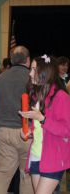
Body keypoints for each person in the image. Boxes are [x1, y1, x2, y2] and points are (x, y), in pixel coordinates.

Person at [19, 55, 70, 193]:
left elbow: (66, 130)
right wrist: (29, 131)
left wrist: (43, 119)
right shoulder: (37, 95)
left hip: (53, 157)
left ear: (45, 72)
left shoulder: (61, 97)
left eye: (34, 69)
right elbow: (38, 126)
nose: (30, 73)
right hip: (36, 154)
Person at [0, 46, 34, 194]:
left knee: (2, 173)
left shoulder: (0, 78)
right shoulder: (33, 77)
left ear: (12, 60)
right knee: (27, 174)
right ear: (28, 60)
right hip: (26, 132)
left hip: (3, 130)